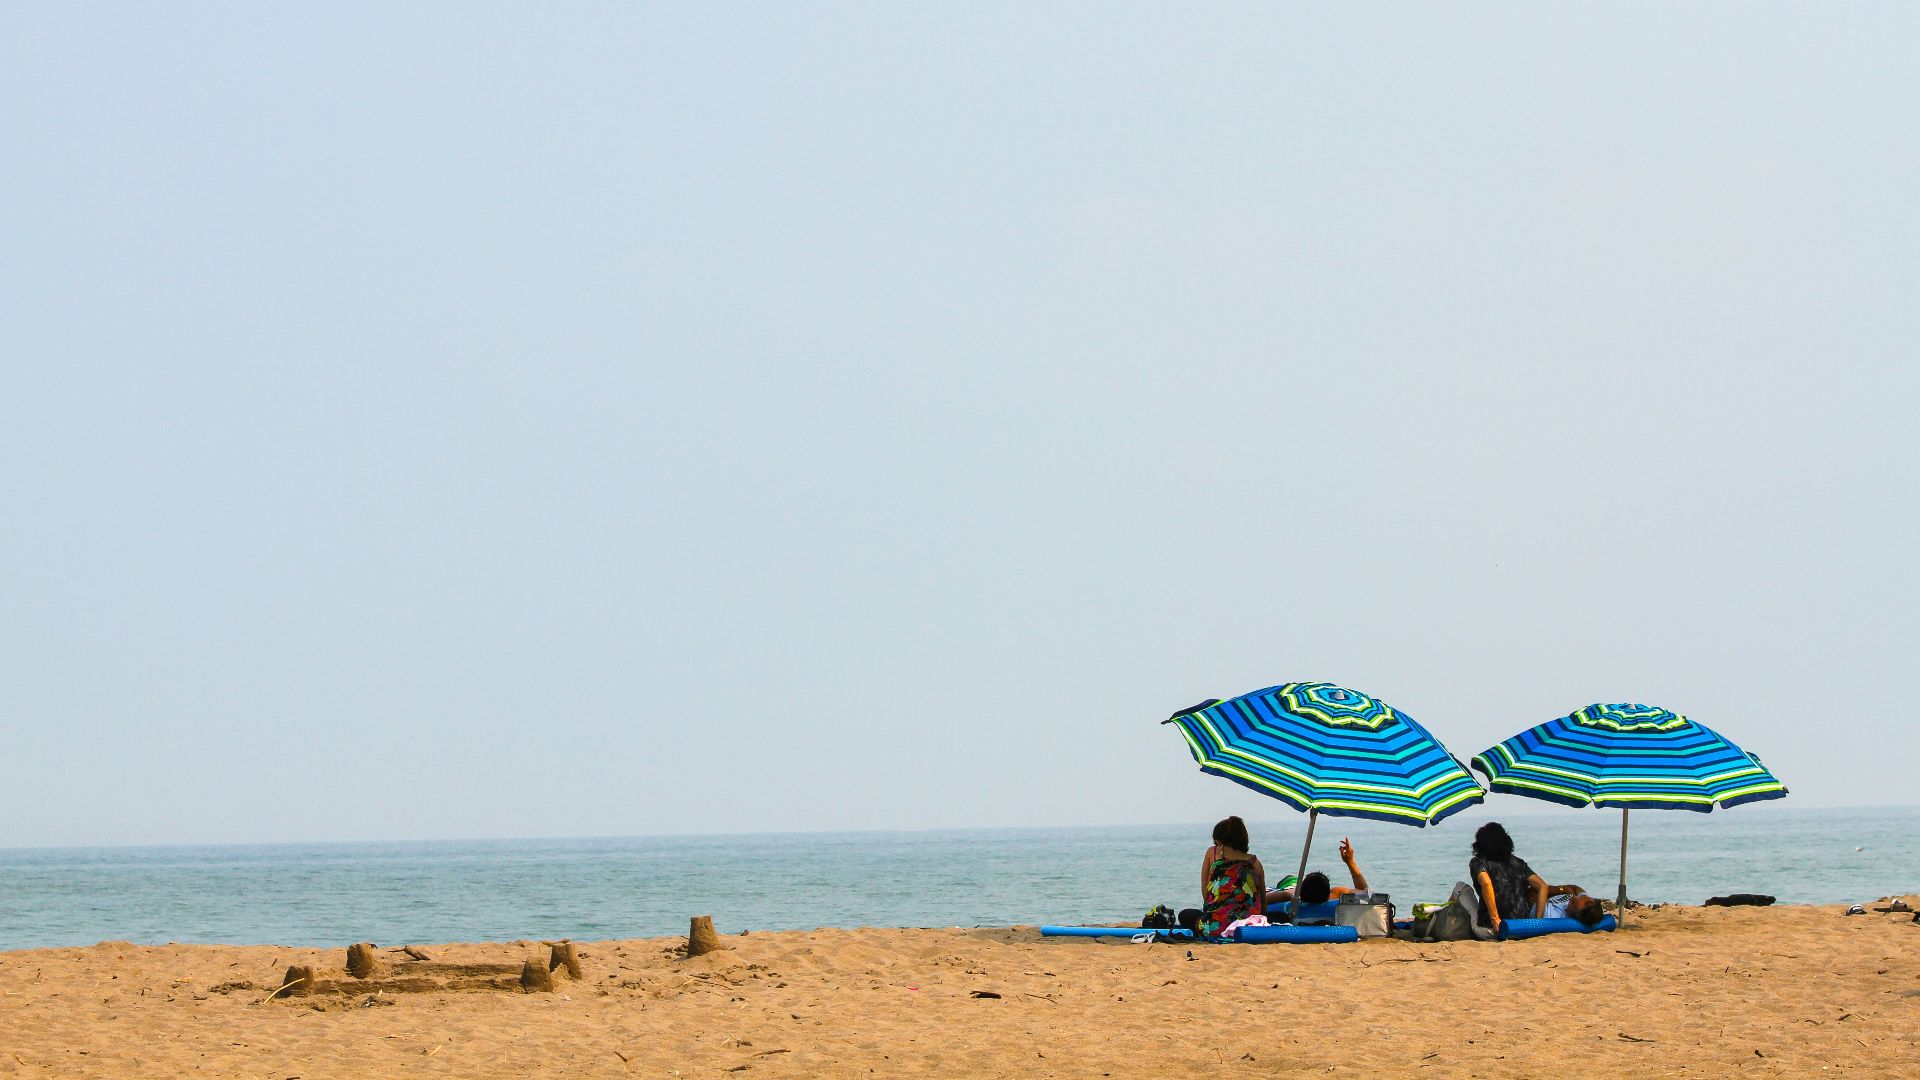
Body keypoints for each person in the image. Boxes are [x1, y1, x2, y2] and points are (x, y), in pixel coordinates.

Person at [1468, 822, 1599, 932]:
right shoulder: (1517, 862)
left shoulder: (1478, 862)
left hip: (1492, 928)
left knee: (1461, 888)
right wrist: (1537, 921)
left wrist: (1495, 919)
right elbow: (1543, 886)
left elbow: (1486, 883)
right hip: (1522, 924)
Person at [1199, 816, 1267, 937]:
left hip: (1215, 927)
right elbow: (1262, 902)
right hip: (1249, 928)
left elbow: (1206, 895)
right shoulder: (1255, 862)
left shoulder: (1213, 853)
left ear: (1219, 841)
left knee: (1186, 915)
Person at [1264, 837, 1372, 911]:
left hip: (1291, 883)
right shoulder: (1335, 894)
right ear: (1328, 892)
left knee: (1290, 880)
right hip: (1296, 885)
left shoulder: (1290, 895)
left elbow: (1261, 900)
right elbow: (1367, 895)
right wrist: (1350, 862)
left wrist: (1287, 895)